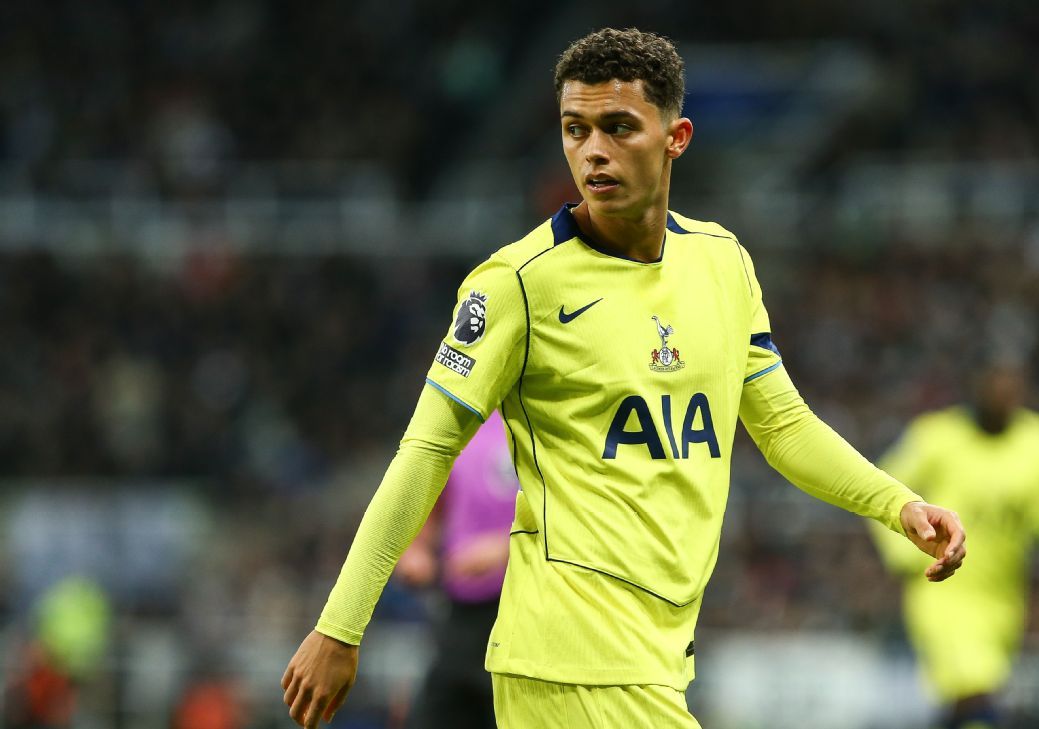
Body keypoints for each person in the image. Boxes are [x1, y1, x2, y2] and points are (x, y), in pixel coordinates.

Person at [282, 28, 967, 729]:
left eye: (618, 127)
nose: (593, 151)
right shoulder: (517, 284)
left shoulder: (722, 263)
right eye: (574, 129)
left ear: (676, 137)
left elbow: (784, 426)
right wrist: (341, 626)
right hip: (570, 656)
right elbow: (426, 451)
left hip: (656, 655)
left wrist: (898, 505)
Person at [870, 362, 1039, 729]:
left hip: (1004, 597)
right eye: (994, 385)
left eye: (1011, 388)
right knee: (975, 691)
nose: (1003, 396)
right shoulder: (936, 437)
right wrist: (901, 553)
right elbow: (883, 485)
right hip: (943, 590)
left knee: (967, 698)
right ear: (977, 388)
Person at [394, 412, 516, 729]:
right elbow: (432, 504)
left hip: (523, 611)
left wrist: (509, 545)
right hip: (460, 614)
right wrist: (417, 550)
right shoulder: (458, 420)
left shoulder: (541, 416)